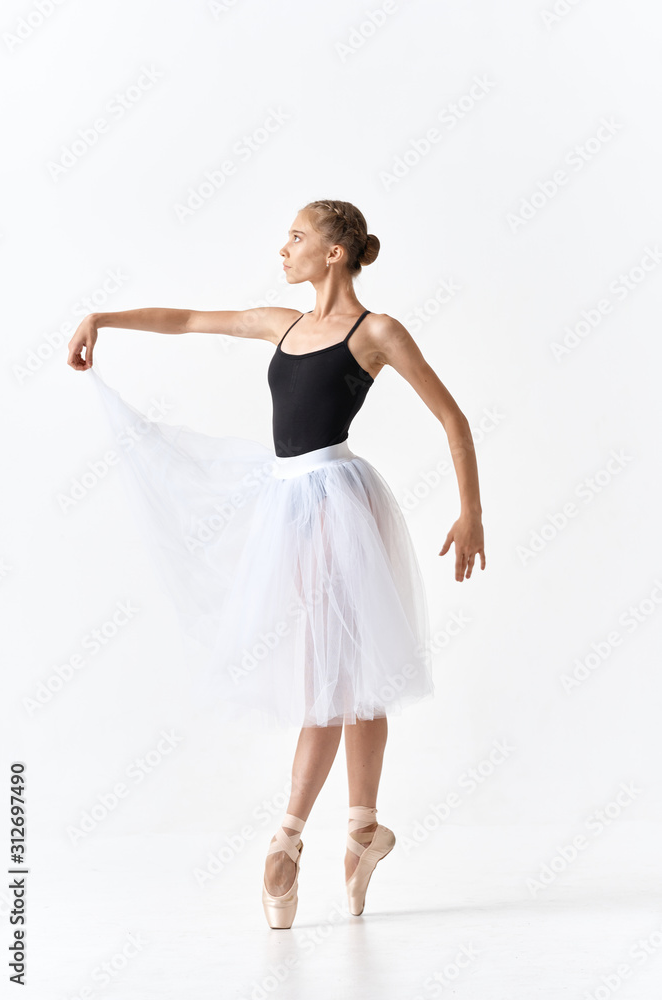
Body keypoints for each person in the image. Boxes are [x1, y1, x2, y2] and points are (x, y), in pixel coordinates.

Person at [67, 198, 485, 929]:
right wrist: (102, 319)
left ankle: (299, 839)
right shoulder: (279, 323)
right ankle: (348, 832)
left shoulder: (375, 331)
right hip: (292, 505)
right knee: (343, 673)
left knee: (337, 671)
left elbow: (450, 416)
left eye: (296, 237)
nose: (281, 247)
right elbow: (191, 320)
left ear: (335, 251)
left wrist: (469, 510)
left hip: (333, 501)